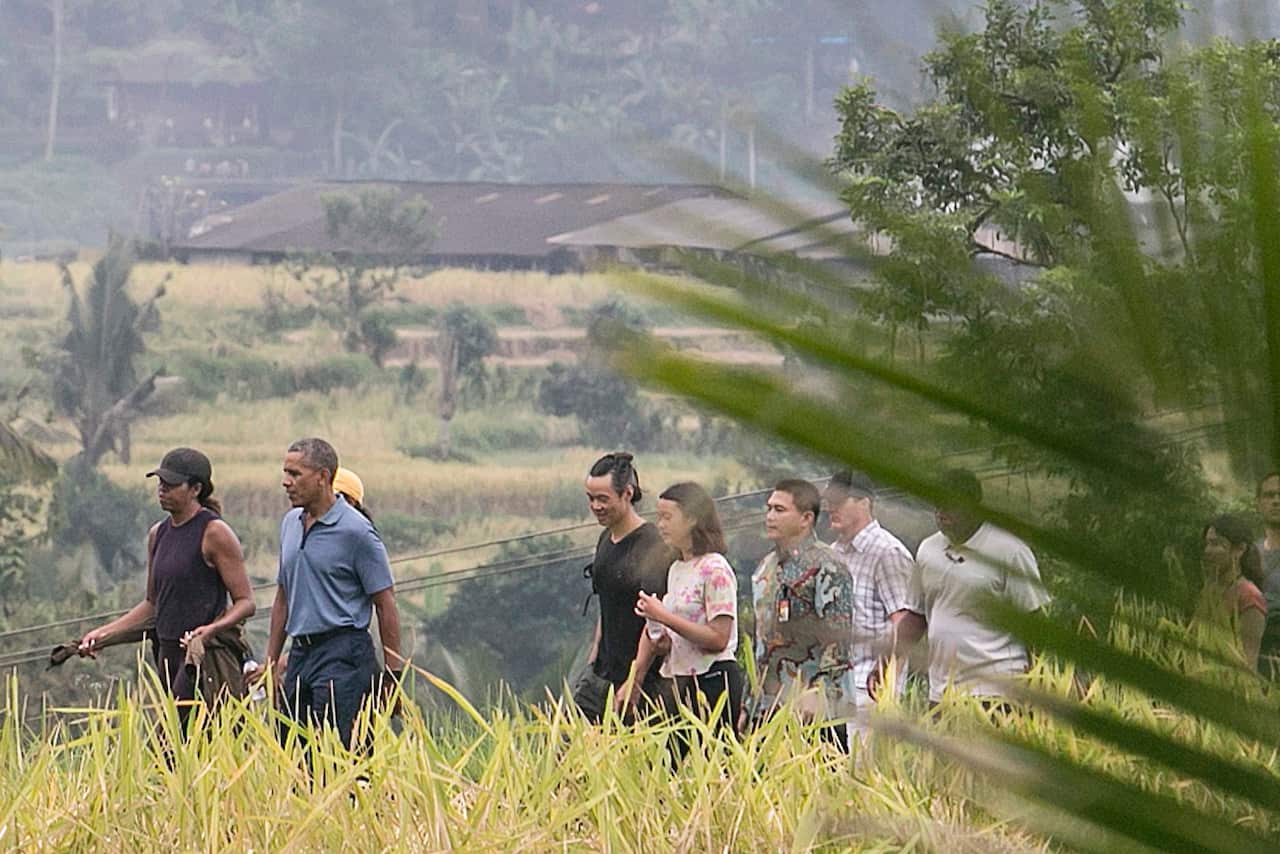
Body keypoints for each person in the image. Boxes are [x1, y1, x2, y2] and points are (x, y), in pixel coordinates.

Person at [78, 448, 255, 723]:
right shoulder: (157, 534)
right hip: (167, 653)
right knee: (180, 743)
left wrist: (211, 630)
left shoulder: (214, 533)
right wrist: (103, 634)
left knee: (177, 742)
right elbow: (153, 604)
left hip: (203, 658)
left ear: (195, 488)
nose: (162, 490)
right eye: (161, 483)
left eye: (171, 485)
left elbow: (245, 602)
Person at [257, 438, 403, 749]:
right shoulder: (289, 524)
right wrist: (270, 662)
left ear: (323, 477)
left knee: (338, 749)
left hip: (343, 650)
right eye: (285, 473)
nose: (286, 482)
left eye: (295, 474)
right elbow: (283, 597)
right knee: (294, 749)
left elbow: (385, 602)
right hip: (301, 652)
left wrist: (393, 675)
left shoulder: (357, 532)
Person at [879, 469, 1049, 709]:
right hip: (942, 694)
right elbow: (916, 617)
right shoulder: (927, 550)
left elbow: (1034, 625)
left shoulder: (1009, 551)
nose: (941, 513)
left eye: (951, 505)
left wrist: (1039, 684)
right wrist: (886, 661)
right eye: (937, 505)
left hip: (997, 693)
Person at [626, 481, 743, 750]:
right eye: (659, 517)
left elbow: (718, 638)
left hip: (713, 680)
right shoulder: (677, 569)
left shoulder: (715, 569)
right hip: (679, 680)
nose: (661, 525)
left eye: (668, 517)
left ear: (692, 519)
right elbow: (675, 640)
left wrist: (665, 617)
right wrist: (656, 628)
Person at [749, 478, 855, 749]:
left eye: (780, 510)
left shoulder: (828, 565)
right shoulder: (766, 567)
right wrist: (750, 703)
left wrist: (816, 694)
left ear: (806, 518)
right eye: (769, 508)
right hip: (768, 708)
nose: (770, 516)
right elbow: (761, 643)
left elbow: (839, 641)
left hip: (815, 712)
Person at [572, 452, 675, 722]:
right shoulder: (605, 538)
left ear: (627, 494)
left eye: (603, 499)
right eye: (590, 498)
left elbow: (655, 621)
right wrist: (593, 658)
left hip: (641, 681)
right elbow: (605, 605)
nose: (595, 506)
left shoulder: (651, 545)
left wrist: (636, 679)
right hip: (600, 673)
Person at [823, 471, 916, 737]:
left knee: (861, 773)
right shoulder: (833, 553)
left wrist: (885, 676)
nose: (831, 508)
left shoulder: (887, 553)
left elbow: (905, 622)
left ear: (864, 502)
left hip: (870, 688)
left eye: (839, 501)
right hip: (835, 688)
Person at [1193, 513, 1266, 672]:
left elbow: (1248, 662)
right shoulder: (1209, 590)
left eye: (1216, 544)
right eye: (1207, 544)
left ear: (1239, 550)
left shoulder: (1249, 596)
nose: (1208, 550)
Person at [1255, 473, 1280, 675]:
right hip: (1258, 661)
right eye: (1269, 495)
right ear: (1259, 503)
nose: (1276, 501)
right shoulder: (1248, 555)